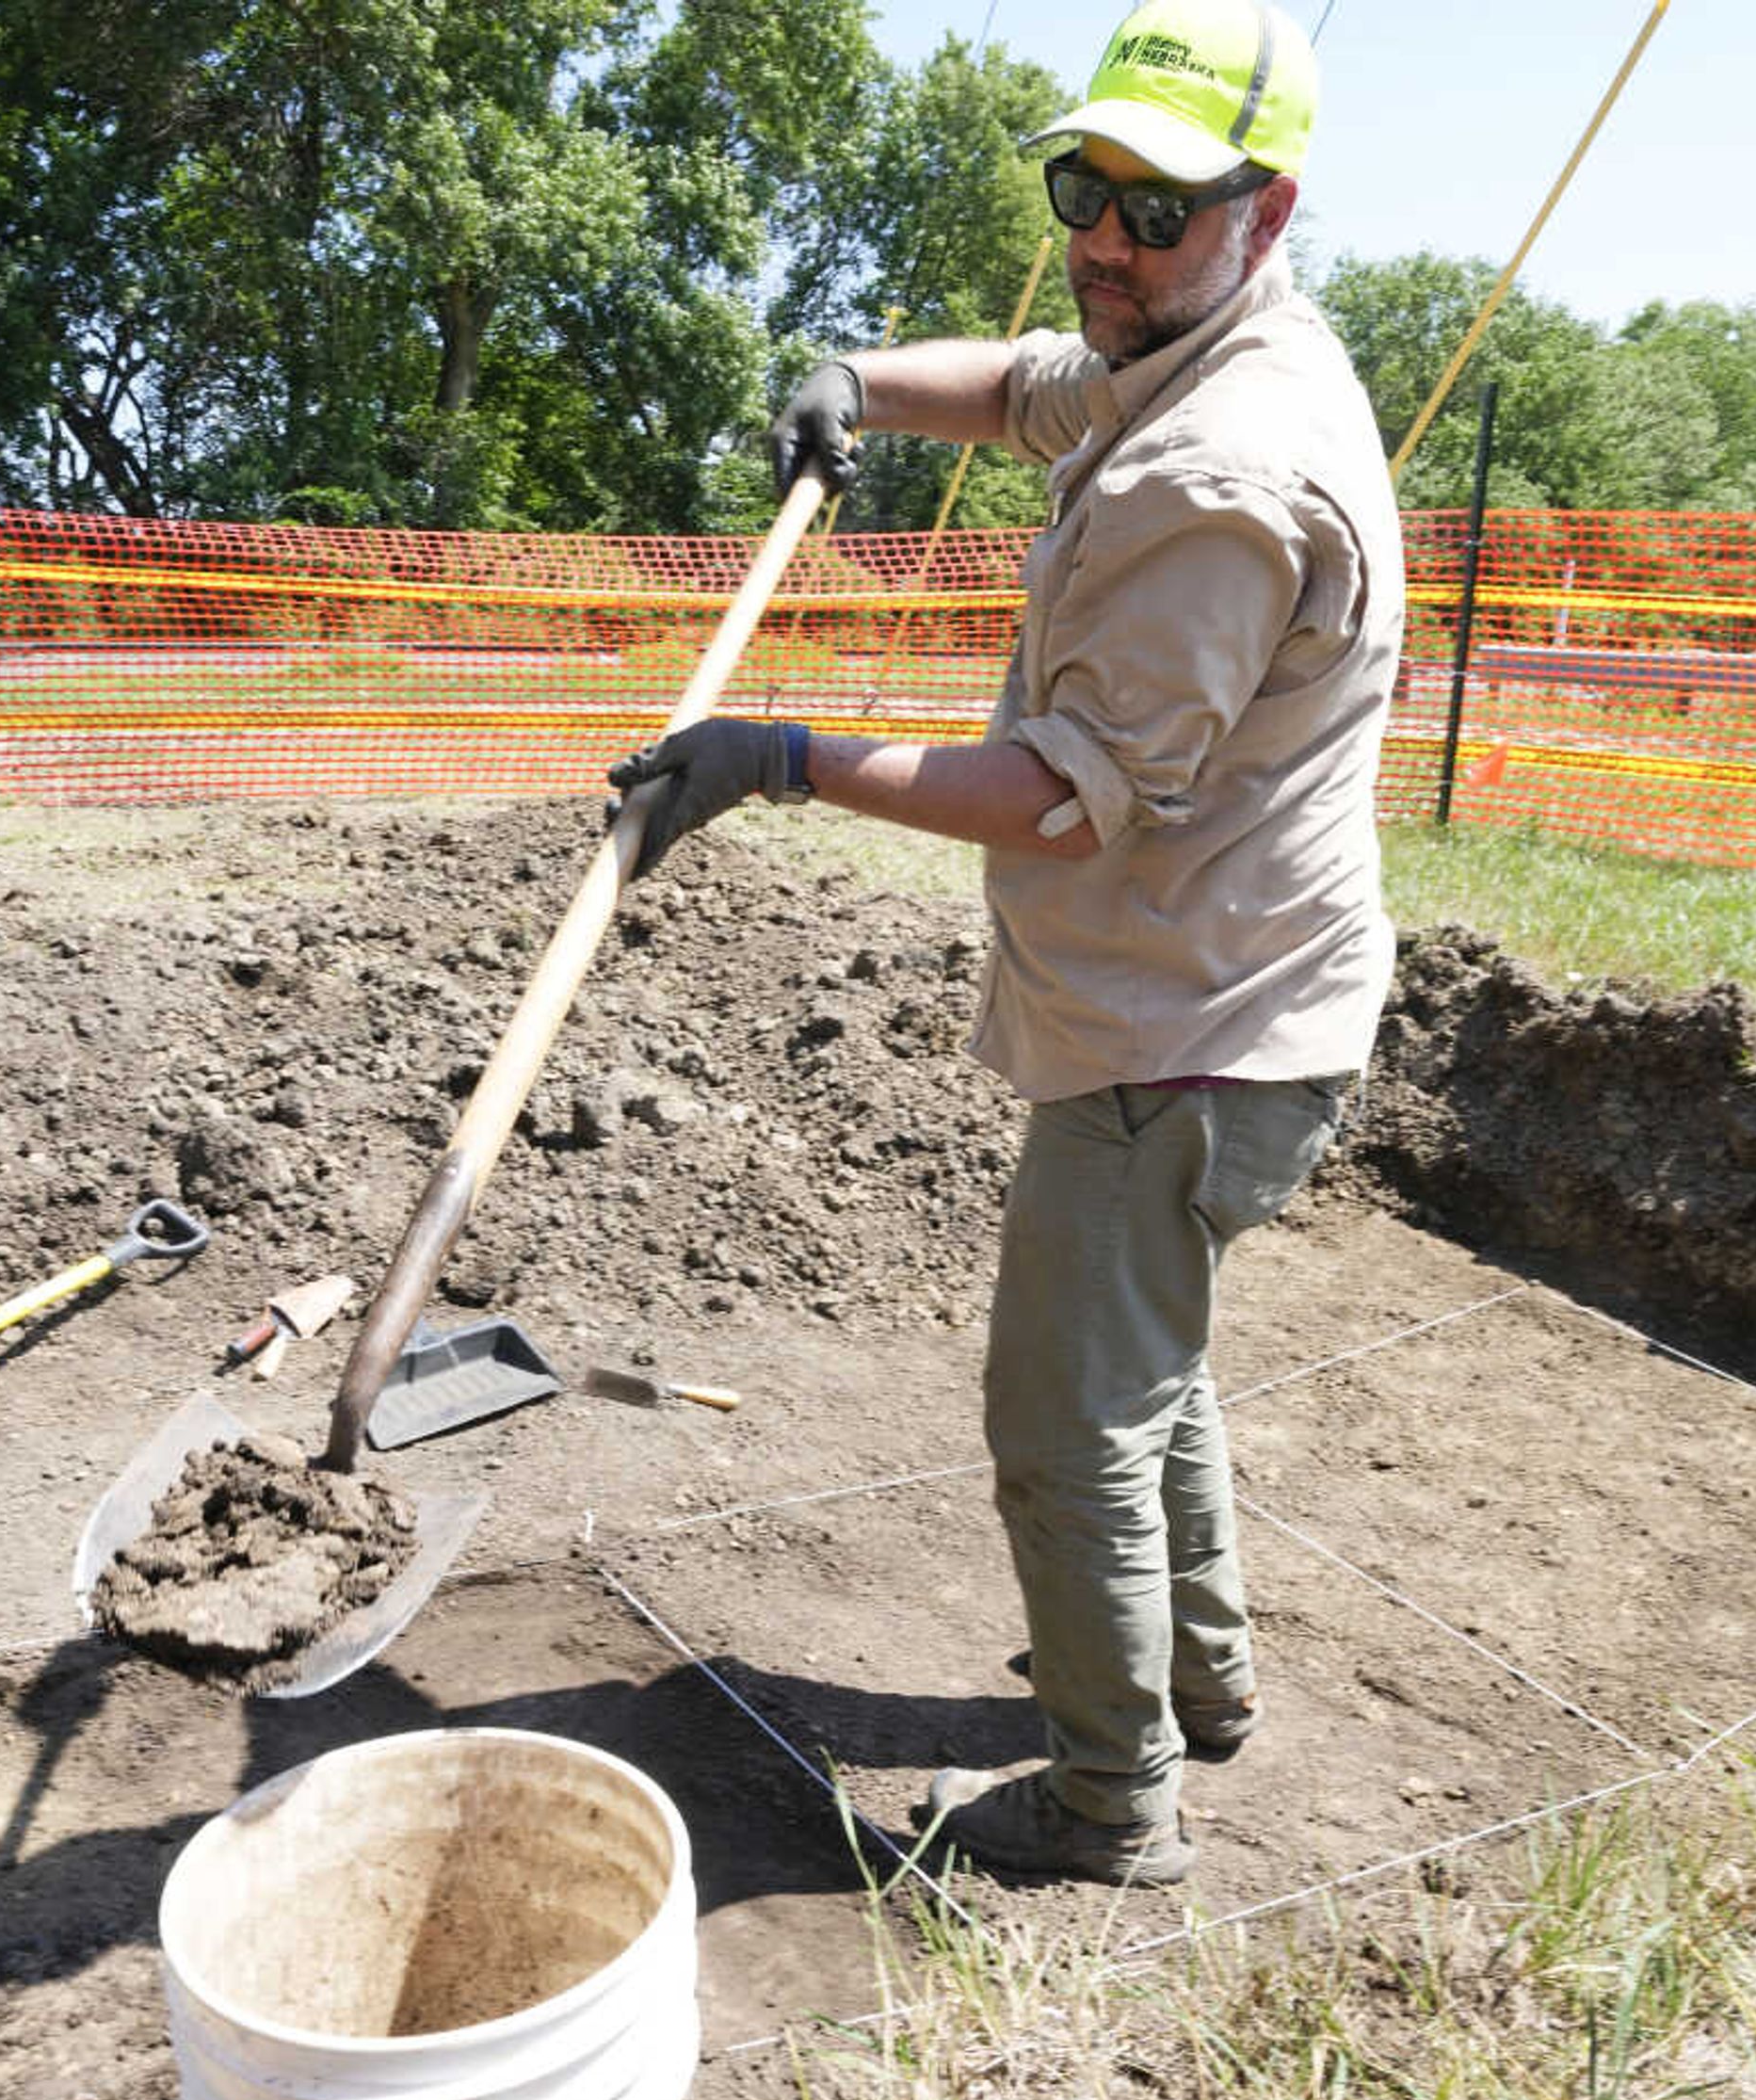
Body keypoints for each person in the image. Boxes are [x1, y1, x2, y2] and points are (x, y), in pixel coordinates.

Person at [606, 0, 1405, 1887]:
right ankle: (1198, 1685)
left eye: (1158, 208)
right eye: (1086, 189)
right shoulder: (1184, 342)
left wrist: (774, 755)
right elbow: (1033, 380)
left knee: (1061, 1424)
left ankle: (1113, 1800)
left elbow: (1060, 792)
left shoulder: (1221, 480)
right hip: (1209, 987)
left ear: (1263, 212)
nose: (1106, 244)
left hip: (1191, 1028)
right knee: (1147, 1364)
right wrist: (857, 379)